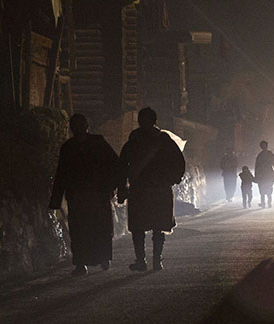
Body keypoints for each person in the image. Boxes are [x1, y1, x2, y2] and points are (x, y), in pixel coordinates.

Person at [49, 113, 119, 276]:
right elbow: (62, 173)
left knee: (98, 229)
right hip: (80, 196)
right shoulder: (69, 147)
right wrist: (56, 198)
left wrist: (110, 187)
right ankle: (83, 262)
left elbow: (114, 164)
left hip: (95, 195)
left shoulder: (96, 143)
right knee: (81, 231)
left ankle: (98, 258)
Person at [117, 107, 186, 272]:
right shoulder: (164, 141)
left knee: (139, 227)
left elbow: (122, 166)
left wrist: (122, 187)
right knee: (158, 226)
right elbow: (179, 163)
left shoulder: (133, 141)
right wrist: (171, 180)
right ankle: (157, 260)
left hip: (139, 189)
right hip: (160, 189)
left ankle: (141, 260)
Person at [254, 140, 274, 208]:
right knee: (269, 188)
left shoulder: (259, 155)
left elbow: (257, 166)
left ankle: (263, 203)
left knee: (262, 189)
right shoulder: (270, 154)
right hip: (269, 174)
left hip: (262, 175)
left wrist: (256, 176)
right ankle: (269, 202)